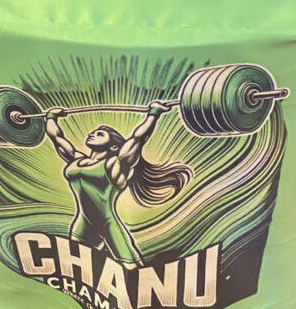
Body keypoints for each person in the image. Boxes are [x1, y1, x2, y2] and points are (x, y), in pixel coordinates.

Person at [44, 102, 191, 268]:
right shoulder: (77, 160)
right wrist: (51, 117)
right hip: (83, 223)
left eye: (100, 134)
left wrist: (153, 114)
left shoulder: (115, 165)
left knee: (133, 271)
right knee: (75, 267)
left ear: (114, 146)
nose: (92, 134)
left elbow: (137, 138)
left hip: (108, 225)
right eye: (94, 132)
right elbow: (57, 138)